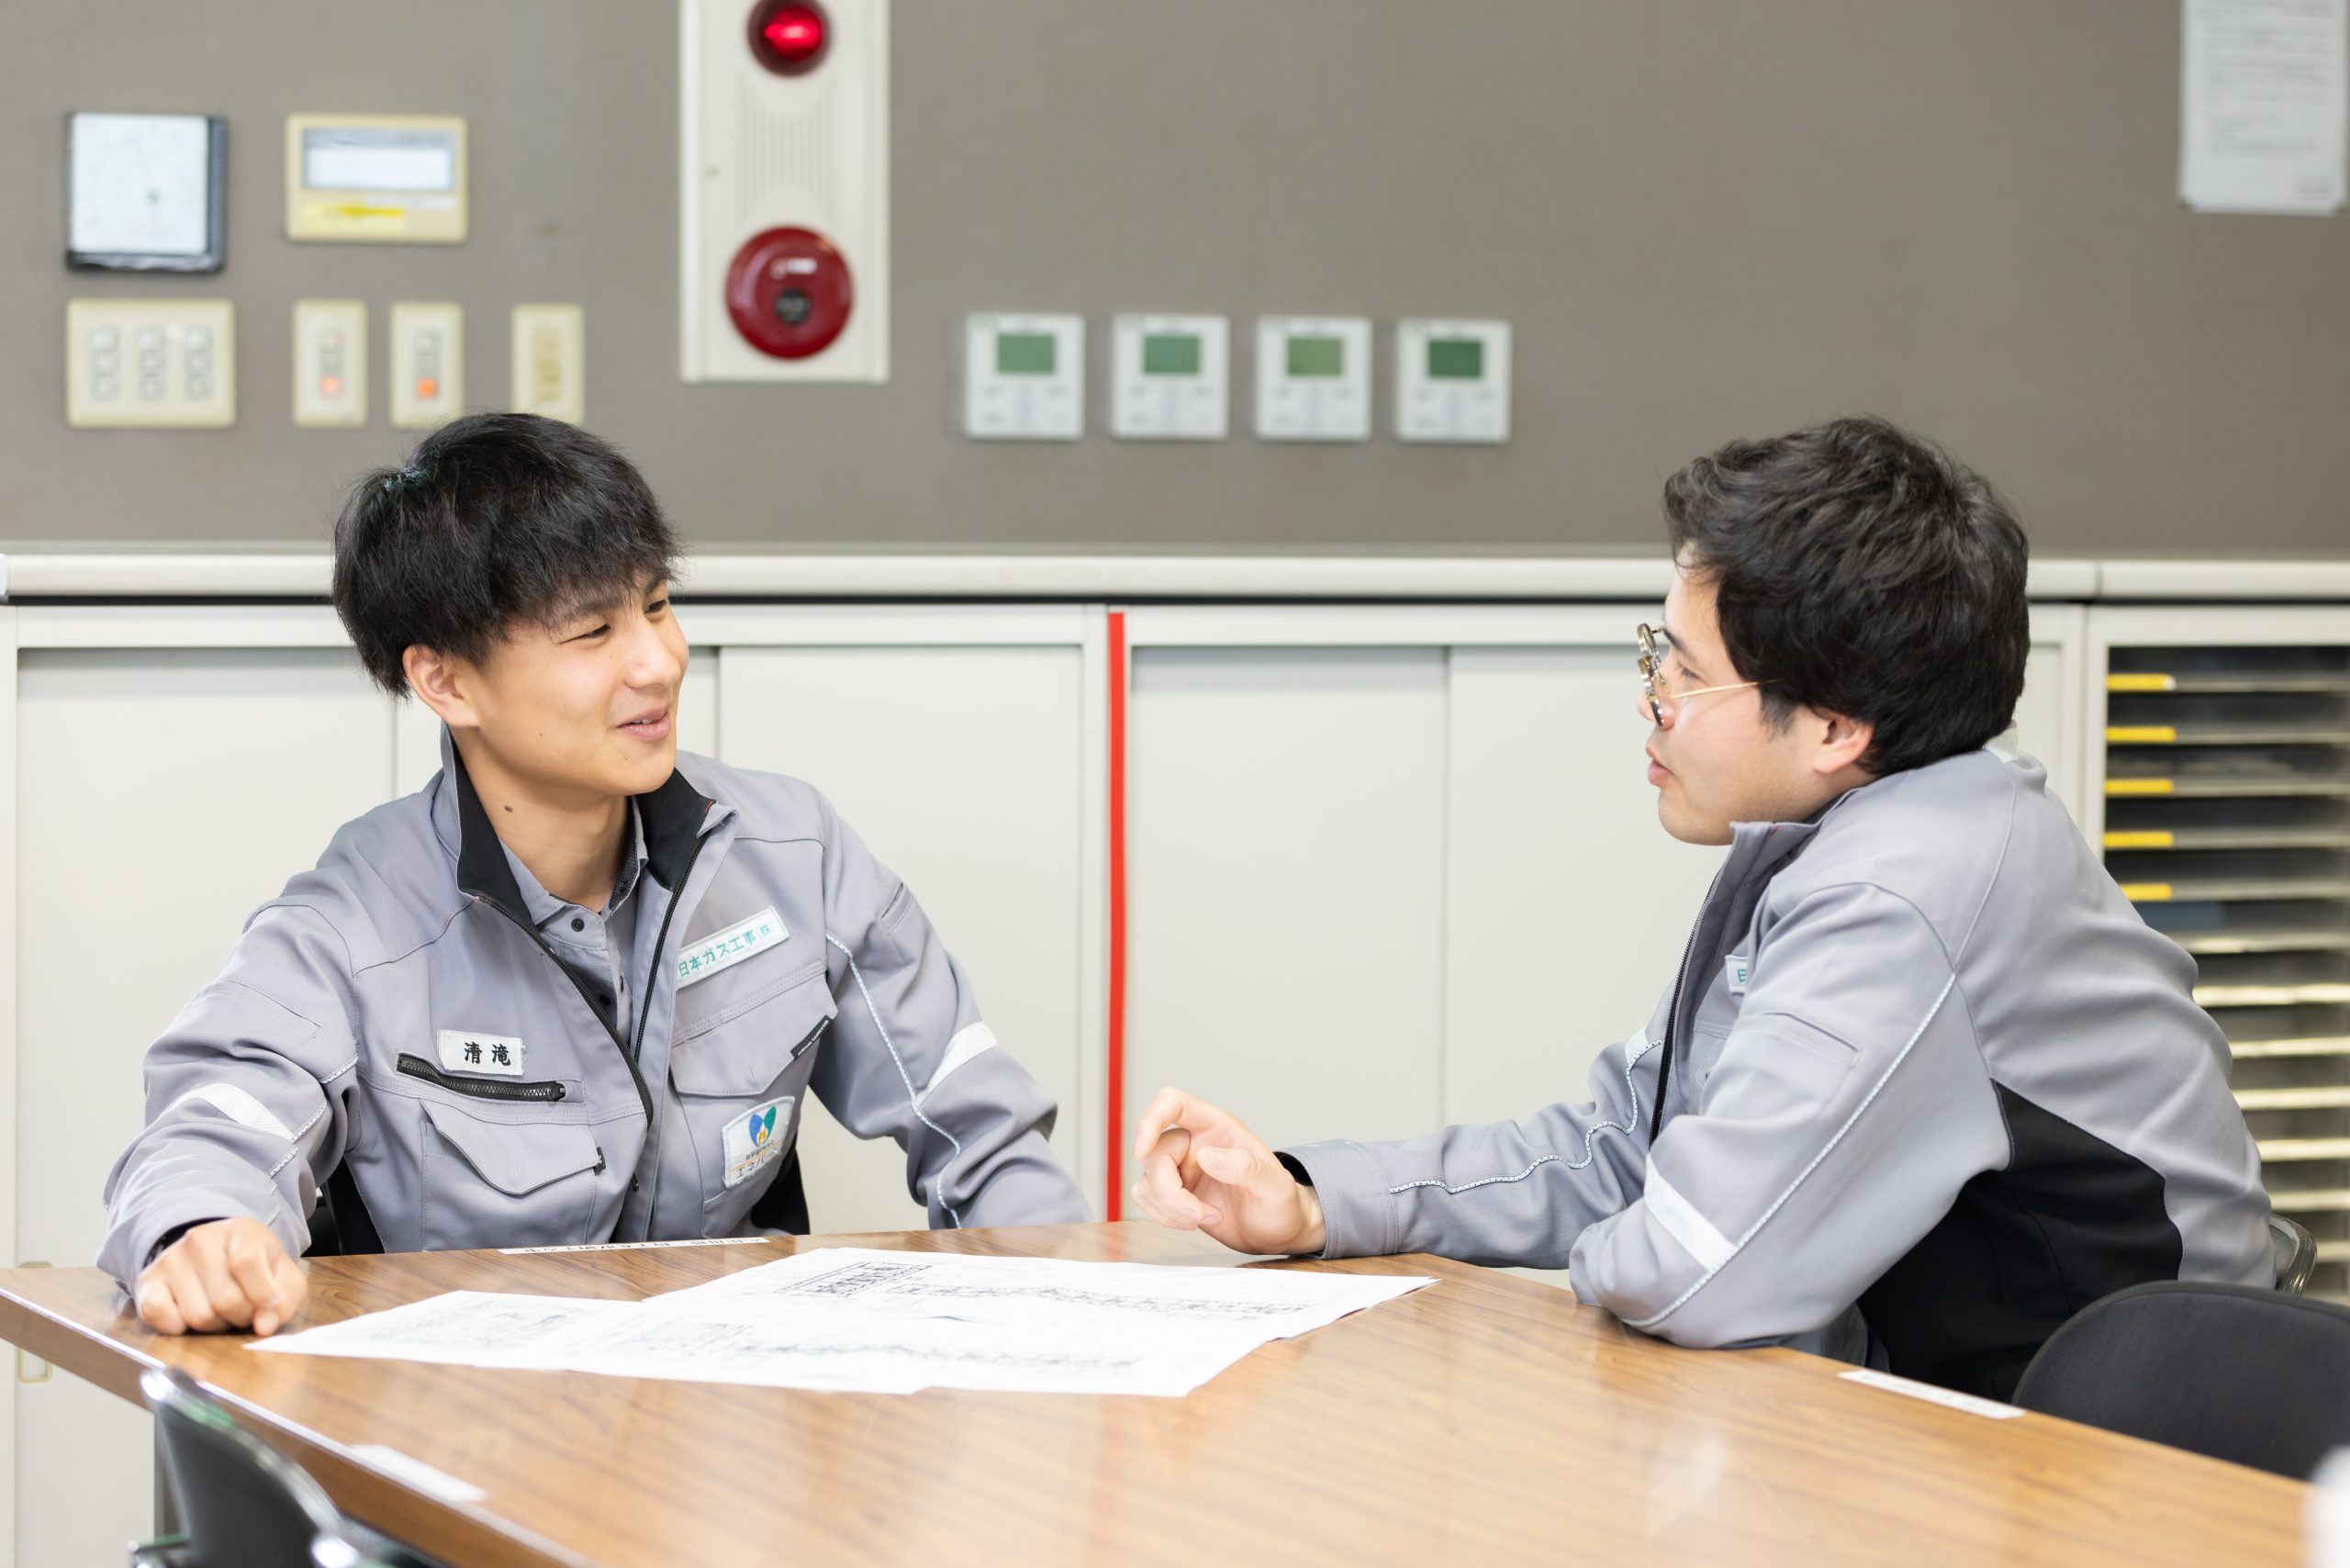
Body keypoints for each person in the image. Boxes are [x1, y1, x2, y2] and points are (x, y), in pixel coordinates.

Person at [1128, 415, 2271, 1398]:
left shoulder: (1899, 892)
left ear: (1835, 726)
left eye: (1682, 671)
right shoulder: (1849, 830)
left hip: (2115, 1460)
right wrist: (1316, 1201)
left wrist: (1561, 1285)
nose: (1652, 702)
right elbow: (1632, 1143)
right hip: (1940, 1425)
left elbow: (1692, 1265)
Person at [103, 411, 1088, 1336]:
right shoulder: (352, 927)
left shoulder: (795, 854)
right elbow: (216, 1125)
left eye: (656, 606)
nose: (658, 662)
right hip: (461, 1429)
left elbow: (980, 1129)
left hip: (728, 1427)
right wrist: (203, 1233)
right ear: (445, 680)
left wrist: (1077, 1309)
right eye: (592, 632)